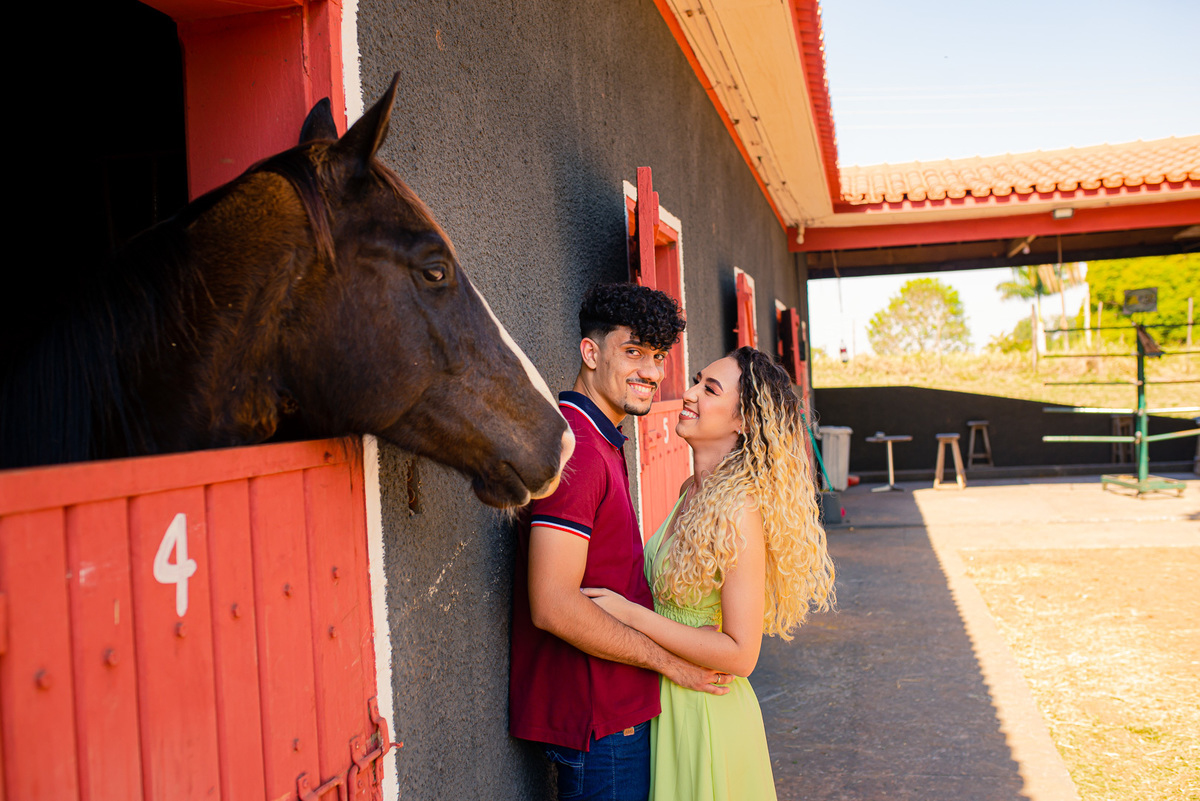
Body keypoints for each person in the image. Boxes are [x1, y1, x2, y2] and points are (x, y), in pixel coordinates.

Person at [509, 283, 733, 801]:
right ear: (591, 352)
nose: (652, 373)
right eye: (633, 352)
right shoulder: (580, 450)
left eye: (658, 357)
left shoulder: (599, 438)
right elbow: (553, 605)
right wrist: (673, 665)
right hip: (602, 723)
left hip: (615, 712)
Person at [583, 346, 836, 801]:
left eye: (710, 388)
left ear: (743, 420)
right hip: (668, 698)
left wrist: (629, 615)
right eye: (697, 380)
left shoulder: (739, 509)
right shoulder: (691, 491)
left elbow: (741, 655)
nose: (689, 392)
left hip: (705, 712)